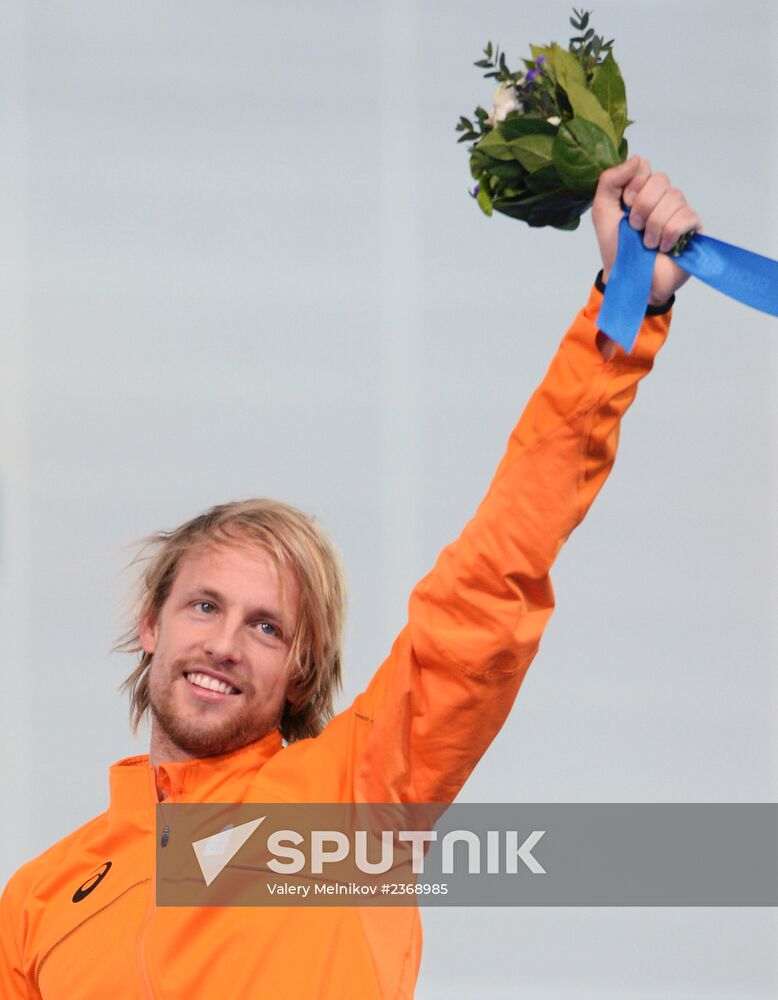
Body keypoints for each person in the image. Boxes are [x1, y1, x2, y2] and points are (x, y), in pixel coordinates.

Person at [0, 156, 701, 999]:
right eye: (204, 607)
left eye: (267, 627)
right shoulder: (38, 898)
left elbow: (498, 567)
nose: (223, 645)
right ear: (152, 626)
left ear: (302, 670)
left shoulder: (355, 801)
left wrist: (628, 303)